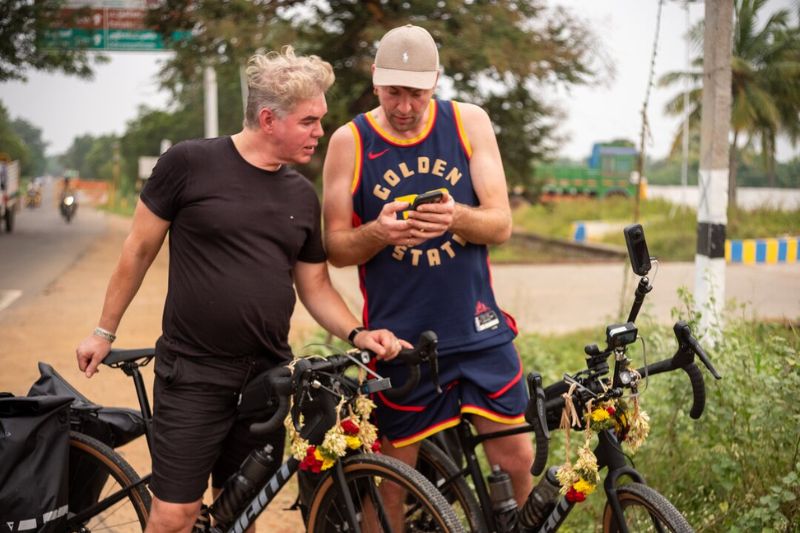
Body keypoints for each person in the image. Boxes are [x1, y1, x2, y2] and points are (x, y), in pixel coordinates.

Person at [76, 46, 406, 533]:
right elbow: (138, 250)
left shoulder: (299, 192)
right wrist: (104, 330)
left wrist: (359, 334)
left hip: (267, 380)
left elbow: (314, 284)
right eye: (309, 121)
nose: (320, 132)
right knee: (175, 516)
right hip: (193, 374)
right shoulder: (188, 163)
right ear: (269, 118)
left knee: (238, 514)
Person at [322, 23, 535, 523]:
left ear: (436, 82)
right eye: (393, 91)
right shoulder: (348, 142)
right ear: (374, 79)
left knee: (518, 459)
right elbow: (334, 247)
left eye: (416, 94)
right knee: (391, 485)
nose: (403, 106)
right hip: (400, 345)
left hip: (479, 330)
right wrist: (378, 232)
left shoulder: (468, 123)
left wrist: (457, 216)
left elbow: (500, 223)